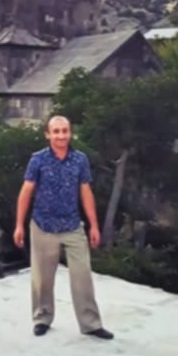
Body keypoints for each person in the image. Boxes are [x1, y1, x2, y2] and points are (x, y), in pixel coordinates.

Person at [14, 115, 113, 340]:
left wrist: (94, 226)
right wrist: (19, 225)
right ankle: (42, 318)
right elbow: (26, 192)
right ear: (48, 134)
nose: (61, 136)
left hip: (72, 226)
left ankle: (90, 324)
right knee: (42, 279)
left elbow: (85, 192)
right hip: (43, 226)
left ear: (70, 133)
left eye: (65, 131)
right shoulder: (37, 160)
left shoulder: (80, 160)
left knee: (82, 276)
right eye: (56, 131)